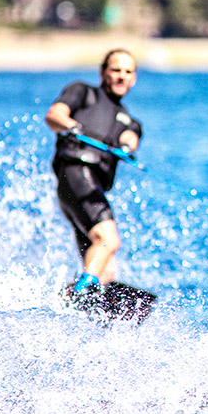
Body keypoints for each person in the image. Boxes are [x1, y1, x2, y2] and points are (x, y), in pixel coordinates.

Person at [45, 48, 143, 300]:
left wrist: (126, 147)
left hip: (89, 188)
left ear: (134, 78)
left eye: (128, 72)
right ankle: (79, 294)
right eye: (116, 70)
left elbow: (130, 137)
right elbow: (55, 115)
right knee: (109, 239)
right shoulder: (82, 92)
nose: (122, 76)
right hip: (76, 174)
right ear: (103, 72)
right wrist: (71, 126)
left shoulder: (129, 121)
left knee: (106, 267)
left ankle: (70, 300)